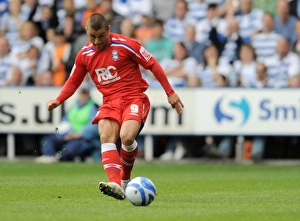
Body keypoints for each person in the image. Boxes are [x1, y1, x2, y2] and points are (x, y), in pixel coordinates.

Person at [46, 13, 184, 200]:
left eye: (101, 35)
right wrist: (59, 99)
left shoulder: (126, 45)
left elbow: (152, 64)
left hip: (134, 98)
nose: (96, 41)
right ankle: (115, 184)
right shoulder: (84, 55)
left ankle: (124, 179)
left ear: (109, 30)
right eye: (92, 36)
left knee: (126, 137)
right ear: (87, 32)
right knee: (105, 135)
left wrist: (170, 92)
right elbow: (73, 80)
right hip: (110, 102)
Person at [35, 85, 100, 163]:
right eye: (82, 94)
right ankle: (50, 157)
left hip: (82, 138)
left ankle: (57, 159)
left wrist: (79, 134)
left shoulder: (93, 106)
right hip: (69, 135)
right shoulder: (74, 106)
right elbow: (65, 120)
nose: (83, 96)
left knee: (70, 148)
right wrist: (64, 133)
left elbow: (95, 125)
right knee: (47, 140)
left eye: (85, 94)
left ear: (89, 95)